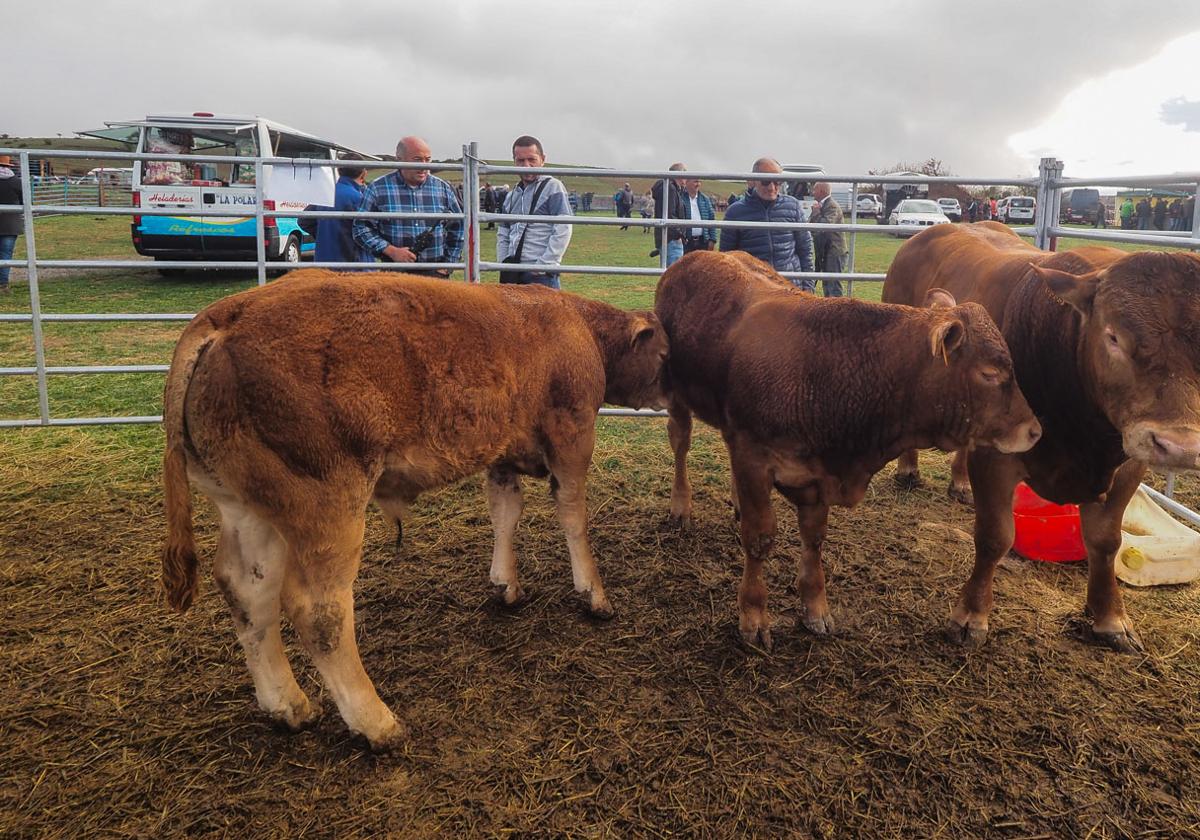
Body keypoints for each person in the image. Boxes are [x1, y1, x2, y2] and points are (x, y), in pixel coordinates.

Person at [353, 136, 463, 277]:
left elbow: (459, 226)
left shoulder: (443, 188)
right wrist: (391, 251)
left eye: (427, 159)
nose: (424, 166)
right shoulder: (378, 188)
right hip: (395, 273)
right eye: (417, 160)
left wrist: (447, 265)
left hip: (435, 275)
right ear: (399, 159)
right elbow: (361, 227)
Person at [720, 156, 814, 289]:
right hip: (755, 291)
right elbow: (727, 258)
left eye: (777, 182)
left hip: (790, 287)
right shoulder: (735, 212)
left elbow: (805, 249)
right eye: (765, 181)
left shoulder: (793, 206)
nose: (772, 187)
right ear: (753, 181)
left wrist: (808, 287)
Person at [496, 135, 573, 289]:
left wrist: (544, 265)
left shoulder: (553, 187)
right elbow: (503, 232)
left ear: (542, 159)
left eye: (532, 159)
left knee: (546, 313)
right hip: (513, 271)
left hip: (540, 275)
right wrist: (504, 262)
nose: (527, 165)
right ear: (514, 162)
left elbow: (563, 228)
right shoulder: (512, 195)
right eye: (521, 161)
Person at [311, 155, 369, 266]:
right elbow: (367, 233)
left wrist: (324, 234)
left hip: (323, 263)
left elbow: (304, 221)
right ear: (363, 173)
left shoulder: (326, 194)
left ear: (339, 170)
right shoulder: (359, 199)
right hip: (353, 266)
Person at [808, 182, 845, 297]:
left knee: (833, 285)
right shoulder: (822, 205)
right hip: (825, 251)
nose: (812, 193)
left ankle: (837, 311)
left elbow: (824, 226)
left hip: (834, 251)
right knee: (827, 284)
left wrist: (816, 213)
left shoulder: (831, 206)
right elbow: (810, 225)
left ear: (821, 191)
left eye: (814, 190)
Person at [651, 163, 689, 266]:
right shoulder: (670, 189)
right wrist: (679, 235)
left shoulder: (668, 188)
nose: (686, 180)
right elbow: (670, 215)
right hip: (672, 239)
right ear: (680, 176)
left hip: (668, 238)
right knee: (673, 275)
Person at [681, 174, 718, 254]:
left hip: (703, 242)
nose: (698, 184)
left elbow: (711, 219)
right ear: (687, 182)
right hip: (686, 243)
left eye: (699, 182)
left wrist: (712, 240)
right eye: (695, 182)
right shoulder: (681, 199)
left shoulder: (705, 200)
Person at [0, 154, 21, 293]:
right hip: (10, 223)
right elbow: (25, 201)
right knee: (6, 254)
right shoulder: (16, 181)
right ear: (8, 166)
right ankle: (3, 285)